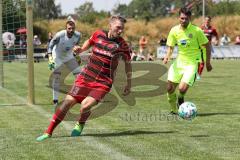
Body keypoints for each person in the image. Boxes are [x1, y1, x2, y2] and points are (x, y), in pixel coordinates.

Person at [36, 15, 132, 142]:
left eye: (122, 29)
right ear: (110, 26)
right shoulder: (98, 34)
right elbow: (90, 41)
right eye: (118, 27)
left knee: (85, 106)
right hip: (86, 77)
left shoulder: (122, 45)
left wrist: (128, 84)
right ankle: (48, 132)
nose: (120, 31)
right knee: (65, 104)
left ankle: (80, 123)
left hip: (103, 82)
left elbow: (128, 64)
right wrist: (81, 49)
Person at [163, 7, 212, 114]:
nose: (183, 21)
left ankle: (180, 98)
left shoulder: (196, 31)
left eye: (186, 18)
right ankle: (173, 110)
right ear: (179, 18)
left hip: (192, 63)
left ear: (190, 18)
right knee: (169, 88)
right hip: (179, 62)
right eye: (181, 18)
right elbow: (170, 46)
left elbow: (207, 46)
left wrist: (208, 62)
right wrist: (167, 56)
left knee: (182, 89)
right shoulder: (174, 30)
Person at [47, 16, 81, 106]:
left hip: (68, 55)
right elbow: (50, 45)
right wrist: (50, 57)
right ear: (66, 28)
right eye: (69, 28)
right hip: (57, 56)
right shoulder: (60, 35)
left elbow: (76, 45)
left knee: (80, 76)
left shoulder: (78, 35)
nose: (71, 30)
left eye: (73, 28)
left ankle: (78, 96)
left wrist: (76, 54)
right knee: (57, 78)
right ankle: (55, 100)